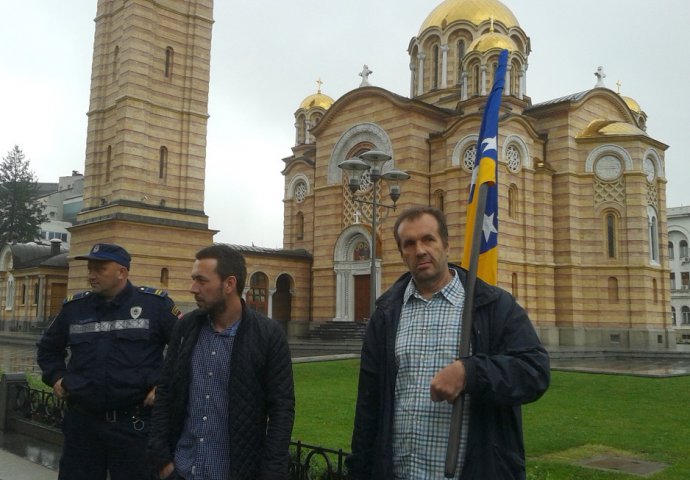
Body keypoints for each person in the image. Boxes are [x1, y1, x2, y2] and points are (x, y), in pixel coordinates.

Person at [346, 206, 550, 479]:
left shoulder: (492, 305)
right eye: (409, 243)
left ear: (446, 244)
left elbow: (534, 371)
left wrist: (471, 373)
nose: (420, 250)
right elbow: (369, 405)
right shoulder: (385, 314)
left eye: (428, 239)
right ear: (401, 253)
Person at [148, 244, 295, 480]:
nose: (192, 288)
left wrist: (272, 472)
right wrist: (163, 461)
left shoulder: (267, 334)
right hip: (183, 470)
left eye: (201, 280)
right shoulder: (185, 328)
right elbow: (165, 392)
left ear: (229, 284)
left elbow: (281, 409)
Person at [37, 243, 182, 480]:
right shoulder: (75, 308)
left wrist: (165, 385)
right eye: (90, 268)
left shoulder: (154, 305)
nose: (91, 275)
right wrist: (56, 377)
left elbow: (186, 348)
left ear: (122, 272)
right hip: (82, 425)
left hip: (134, 426)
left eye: (100, 268)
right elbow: (47, 349)